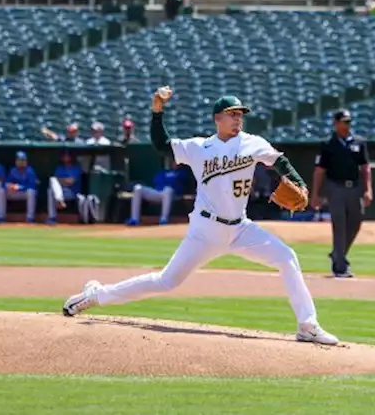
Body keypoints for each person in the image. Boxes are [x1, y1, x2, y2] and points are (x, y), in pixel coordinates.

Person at [62, 88, 338, 346]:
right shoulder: (198, 148)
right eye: (232, 114)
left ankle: (307, 325)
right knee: (166, 281)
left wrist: (299, 183)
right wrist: (157, 111)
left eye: (240, 115)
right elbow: (162, 145)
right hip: (205, 230)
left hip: (241, 228)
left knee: (287, 257)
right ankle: (96, 294)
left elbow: (281, 163)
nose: (237, 119)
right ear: (217, 118)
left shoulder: (253, 143)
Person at [310, 109, 372, 278]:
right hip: (335, 187)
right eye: (344, 122)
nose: (347, 125)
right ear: (336, 123)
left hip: (355, 188)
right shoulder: (328, 144)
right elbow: (319, 170)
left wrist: (368, 189)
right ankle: (340, 267)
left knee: (355, 223)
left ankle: (338, 254)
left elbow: (365, 167)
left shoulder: (359, 143)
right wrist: (315, 194)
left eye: (349, 122)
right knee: (339, 225)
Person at [47, 150, 89, 225]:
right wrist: (62, 181)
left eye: (67, 156)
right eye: (64, 156)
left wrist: (61, 181)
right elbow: (57, 180)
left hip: (72, 192)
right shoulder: (60, 167)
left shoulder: (76, 167)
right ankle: (52, 217)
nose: (65, 158)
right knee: (51, 186)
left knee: (53, 183)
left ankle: (59, 200)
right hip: (61, 191)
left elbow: (71, 182)